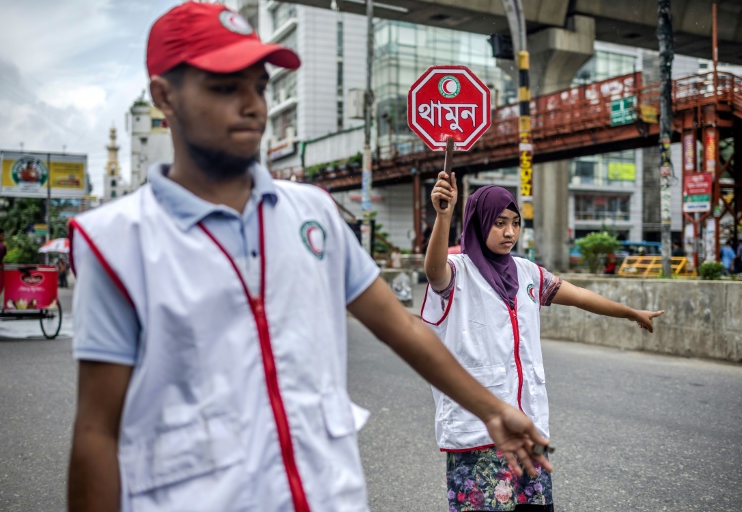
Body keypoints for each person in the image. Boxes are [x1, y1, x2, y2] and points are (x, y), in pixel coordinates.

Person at [66, 4, 552, 512]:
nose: (253, 105)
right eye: (225, 87)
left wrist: (492, 410)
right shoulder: (114, 242)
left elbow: (402, 328)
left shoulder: (312, 213)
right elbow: (98, 430)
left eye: (259, 86)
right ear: (165, 96)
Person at [422, 175, 664, 511]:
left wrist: (629, 312)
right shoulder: (457, 272)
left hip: (526, 424)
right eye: (499, 223)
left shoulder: (528, 273)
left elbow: (579, 296)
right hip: (478, 427)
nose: (509, 232)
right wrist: (444, 216)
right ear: (478, 223)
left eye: (515, 223)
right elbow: (433, 271)